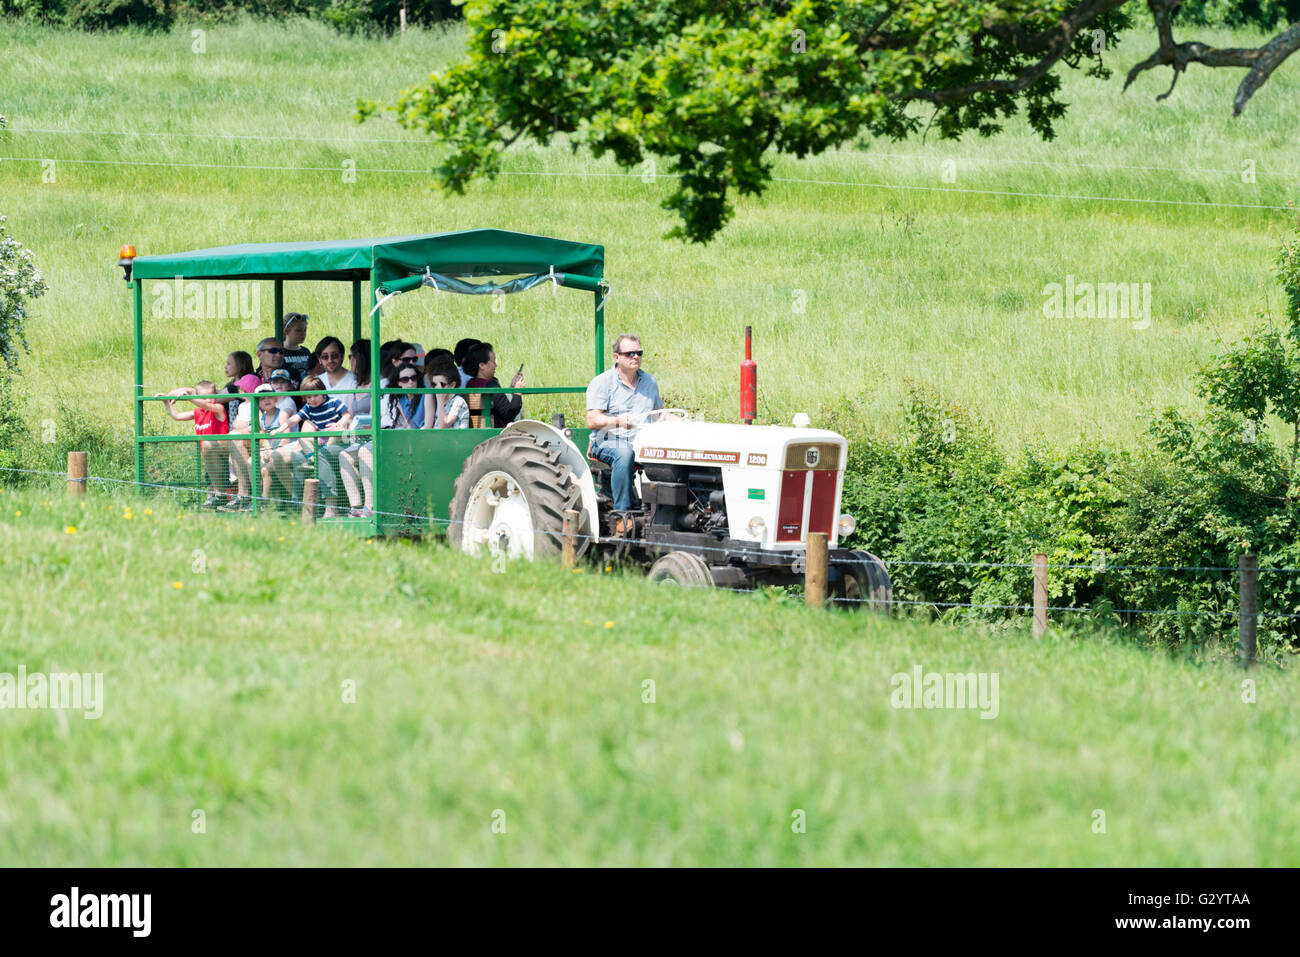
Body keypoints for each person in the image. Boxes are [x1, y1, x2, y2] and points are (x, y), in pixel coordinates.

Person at [586, 333, 662, 533]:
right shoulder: (602, 382)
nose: (635, 357)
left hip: (641, 442)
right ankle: (621, 514)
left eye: (639, 353)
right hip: (608, 442)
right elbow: (592, 420)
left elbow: (657, 416)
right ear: (616, 357)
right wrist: (618, 421)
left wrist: (681, 421)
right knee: (624, 452)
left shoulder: (650, 382)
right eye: (629, 353)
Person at [285, 374, 354, 518]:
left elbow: (347, 415)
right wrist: (280, 429)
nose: (312, 400)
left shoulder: (334, 402)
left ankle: (331, 508)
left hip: (339, 442)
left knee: (322, 453)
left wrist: (339, 424)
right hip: (321, 443)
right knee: (298, 456)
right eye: (308, 397)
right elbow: (294, 419)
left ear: (323, 391)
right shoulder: (309, 407)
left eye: (315, 395)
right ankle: (300, 506)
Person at [158, 381, 231, 509]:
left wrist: (190, 398)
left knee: (221, 480)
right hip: (207, 456)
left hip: (221, 454)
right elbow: (177, 416)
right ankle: (213, 502)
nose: (208, 400)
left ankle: (222, 499)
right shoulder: (197, 412)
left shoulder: (218, 408)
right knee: (209, 479)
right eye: (203, 397)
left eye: (211, 396)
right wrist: (166, 402)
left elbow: (207, 406)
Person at [462, 342, 523, 428]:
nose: (496, 365)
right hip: (496, 434)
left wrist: (512, 389)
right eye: (493, 362)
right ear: (482, 365)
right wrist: (518, 391)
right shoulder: (490, 385)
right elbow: (510, 413)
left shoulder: (470, 384)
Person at [423, 357, 469, 429]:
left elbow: (443, 426)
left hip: (455, 439)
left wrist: (440, 400)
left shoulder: (458, 401)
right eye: (434, 384)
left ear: (452, 385)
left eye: (442, 384)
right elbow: (428, 425)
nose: (437, 388)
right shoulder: (439, 401)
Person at [381, 363, 425, 429]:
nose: (410, 382)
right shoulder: (400, 400)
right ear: (399, 383)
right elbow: (408, 426)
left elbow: (428, 426)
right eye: (405, 379)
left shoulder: (426, 395)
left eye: (414, 378)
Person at [281, 313, 312, 383]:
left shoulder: (306, 351)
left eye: (305, 330)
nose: (303, 333)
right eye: (298, 330)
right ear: (286, 331)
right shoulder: (279, 352)